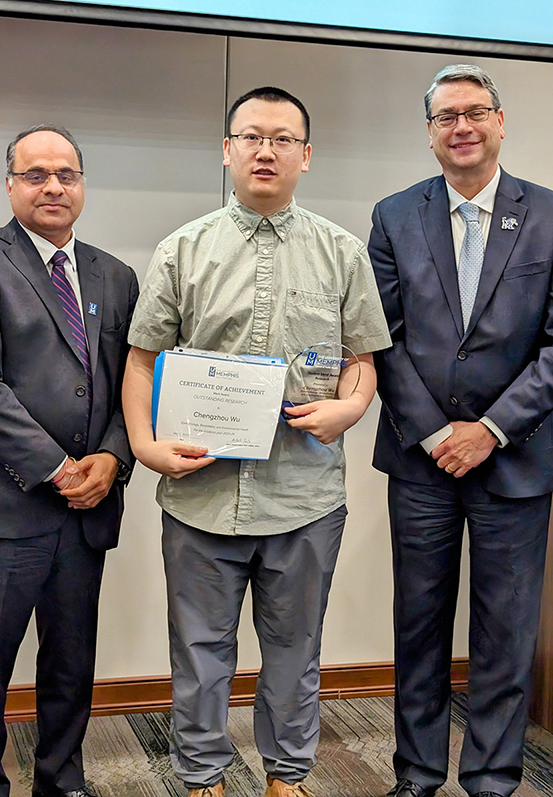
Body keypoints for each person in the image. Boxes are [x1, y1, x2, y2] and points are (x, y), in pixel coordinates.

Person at [123, 86, 391, 797]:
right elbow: (143, 358)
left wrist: (351, 408)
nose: (264, 150)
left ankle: (288, 776)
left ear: (306, 155)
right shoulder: (184, 248)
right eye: (250, 136)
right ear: (227, 150)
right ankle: (204, 776)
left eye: (281, 138)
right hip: (200, 493)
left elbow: (363, 360)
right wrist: (147, 447)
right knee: (199, 652)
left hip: (305, 495)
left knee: (295, 652)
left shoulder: (342, 252)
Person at [368, 64, 553, 797]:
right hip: (422, 459)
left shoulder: (547, 214)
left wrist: (492, 429)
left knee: (506, 632)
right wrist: (436, 430)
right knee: (418, 623)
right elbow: (379, 335)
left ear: (501, 122)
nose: (463, 126)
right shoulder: (393, 214)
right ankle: (415, 773)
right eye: (446, 116)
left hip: (519, 457)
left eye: (476, 112)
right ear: (430, 133)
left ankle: (492, 777)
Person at [0, 124, 139, 797]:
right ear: (11, 185)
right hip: (3, 509)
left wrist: (114, 459)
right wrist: (60, 466)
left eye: (66, 173)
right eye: (36, 174)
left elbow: (131, 386)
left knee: (71, 663)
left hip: (85, 513)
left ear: (82, 184)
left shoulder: (116, 276)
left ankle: (62, 780)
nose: (53, 186)